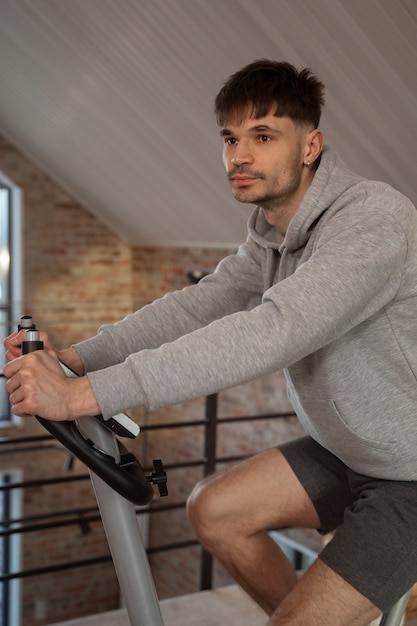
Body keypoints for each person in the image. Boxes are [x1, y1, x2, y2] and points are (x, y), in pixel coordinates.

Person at [4, 59, 417, 625]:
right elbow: (196, 306)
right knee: (214, 509)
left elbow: (275, 330)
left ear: (311, 145)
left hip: (410, 474)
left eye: (263, 136)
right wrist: (72, 360)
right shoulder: (272, 237)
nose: (239, 156)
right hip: (345, 452)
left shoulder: (374, 219)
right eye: (230, 138)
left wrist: (82, 395)